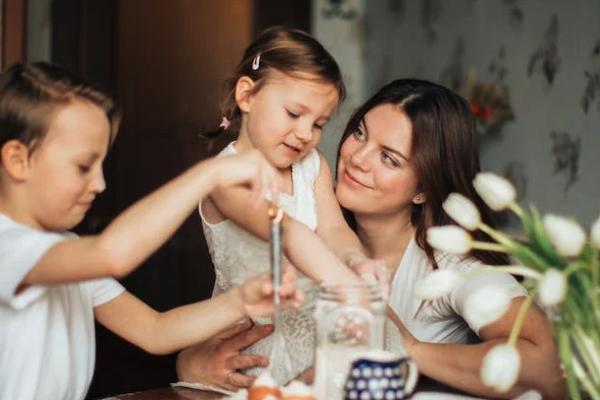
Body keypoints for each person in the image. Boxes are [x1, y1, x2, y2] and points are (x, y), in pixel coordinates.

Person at [0, 62, 302, 400]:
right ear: (18, 159)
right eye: (83, 166)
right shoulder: (8, 247)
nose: (99, 184)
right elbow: (111, 254)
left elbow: (154, 331)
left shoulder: (67, 252)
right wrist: (210, 174)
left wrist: (241, 300)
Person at [334, 79, 565, 398]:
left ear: (422, 190)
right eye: (359, 133)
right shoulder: (309, 227)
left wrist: (409, 348)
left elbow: (545, 367)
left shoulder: (448, 262)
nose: (358, 158)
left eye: (389, 158)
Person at [198, 27, 381, 385]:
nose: (304, 134)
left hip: (311, 331)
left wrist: (356, 261)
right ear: (247, 95)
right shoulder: (224, 177)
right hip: (252, 341)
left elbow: (333, 230)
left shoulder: (312, 166)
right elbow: (285, 229)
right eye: (294, 114)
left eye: (318, 124)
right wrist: (347, 285)